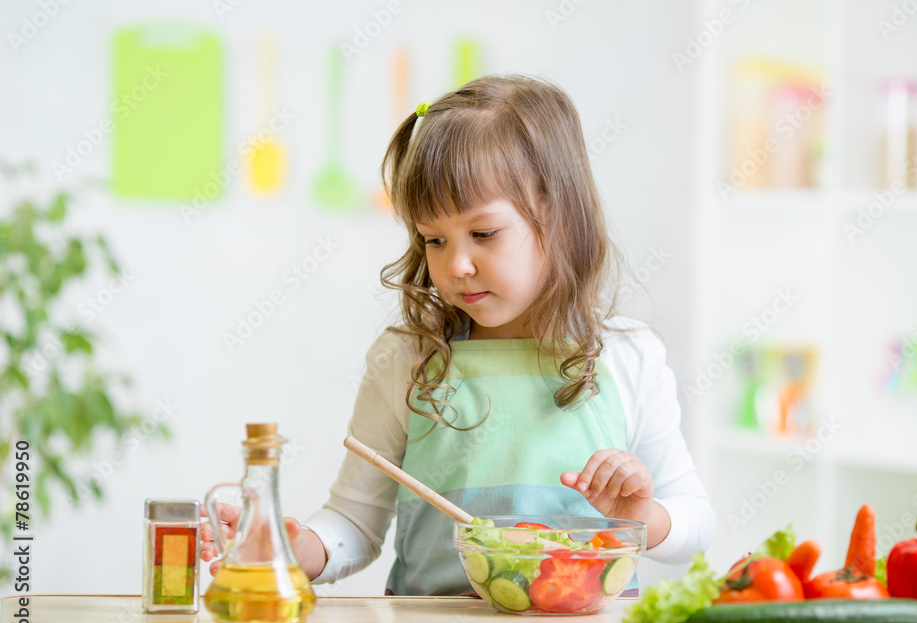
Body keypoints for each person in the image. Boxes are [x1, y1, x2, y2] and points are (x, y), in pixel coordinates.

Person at [201, 74, 715, 596]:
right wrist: (296, 550)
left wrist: (642, 517)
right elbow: (354, 521)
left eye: (483, 234)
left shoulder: (629, 355)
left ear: (559, 217)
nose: (457, 264)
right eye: (434, 239)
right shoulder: (405, 358)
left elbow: (696, 527)